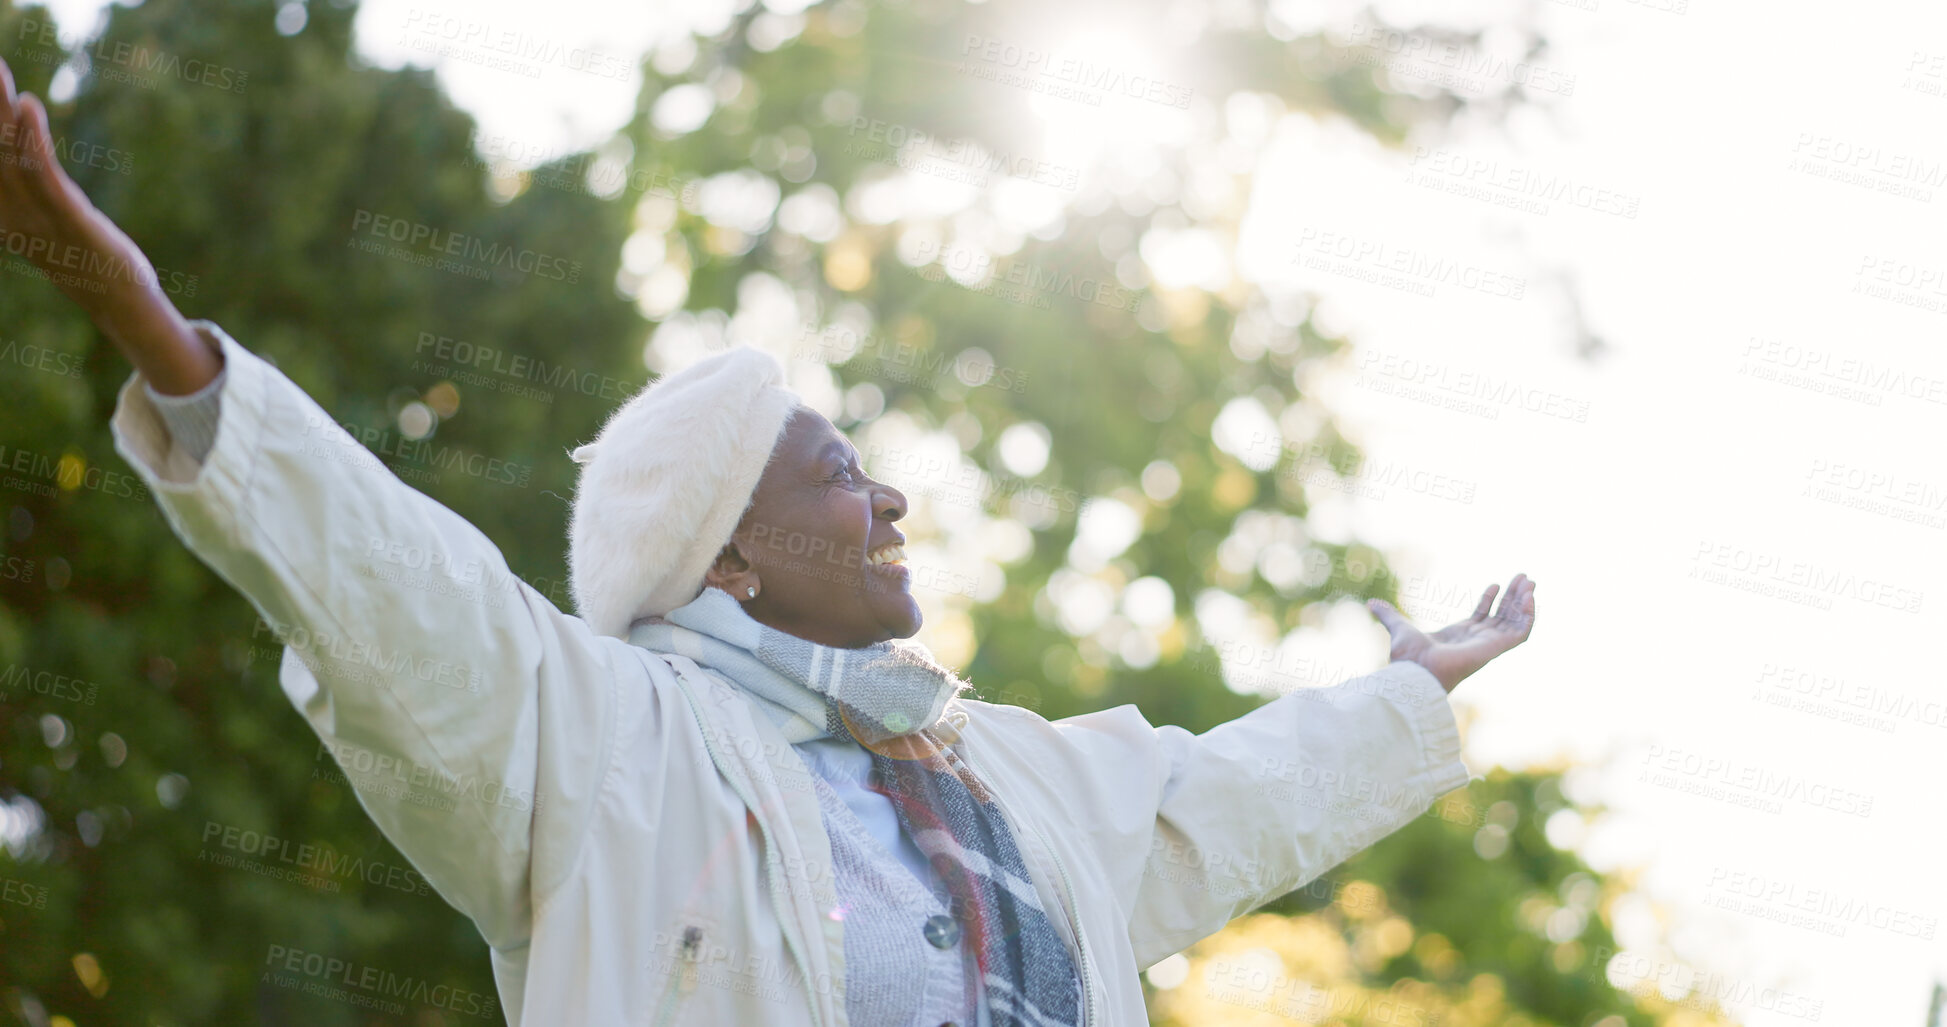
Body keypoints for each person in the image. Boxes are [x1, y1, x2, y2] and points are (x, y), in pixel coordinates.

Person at [0, 58, 1536, 1027]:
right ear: (727, 554)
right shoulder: (602, 747)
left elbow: (1228, 796)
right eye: (840, 475)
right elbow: (397, 590)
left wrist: (1412, 690)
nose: (892, 504)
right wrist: (143, 320)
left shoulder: (1011, 773)